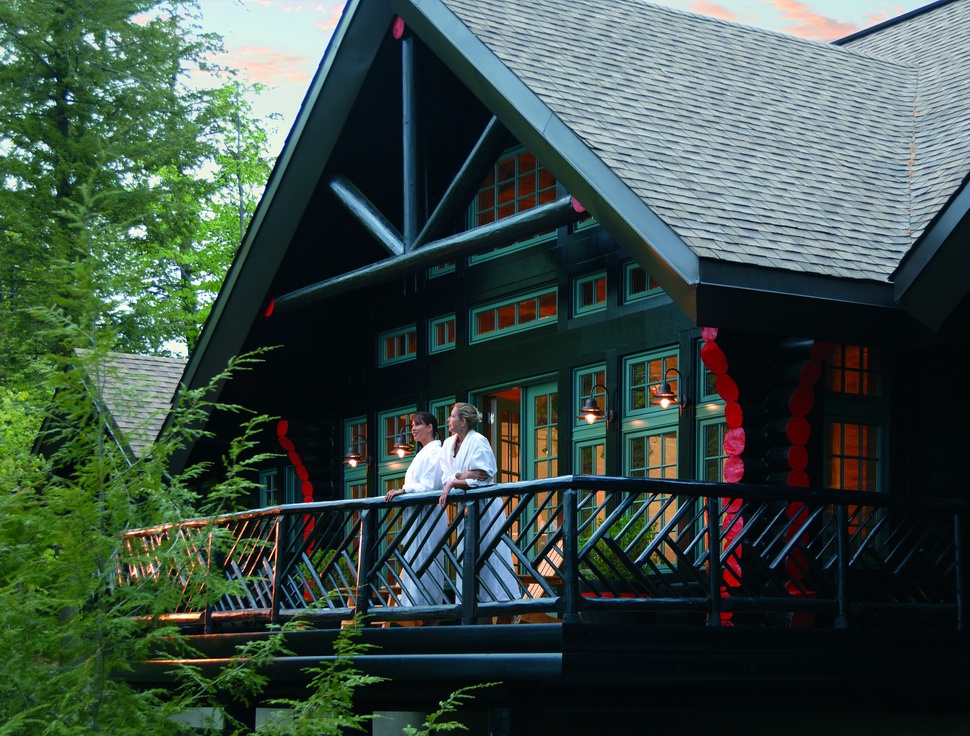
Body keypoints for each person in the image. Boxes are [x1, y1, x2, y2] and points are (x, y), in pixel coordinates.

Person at [438, 402, 518, 604]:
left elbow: (481, 475)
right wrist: (460, 477)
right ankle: (470, 602)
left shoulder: (478, 441)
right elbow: (446, 476)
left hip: (484, 507)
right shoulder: (448, 444)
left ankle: (502, 604)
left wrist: (455, 481)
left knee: (489, 552)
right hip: (465, 510)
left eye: (452, 416)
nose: (448, 419)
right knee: (467, 555)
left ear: (463, 421)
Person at [385, 412, 449, 607]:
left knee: (427, 561)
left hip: (428, 516)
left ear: (430, 427)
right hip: (416, 516)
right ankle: (414, 607)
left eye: (417, 425)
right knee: (414, 560)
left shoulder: (436, 452)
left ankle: (428, 609)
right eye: (412, 425)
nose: (412, 429)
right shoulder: (423, 453)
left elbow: (430, 485)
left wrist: (404, 490)